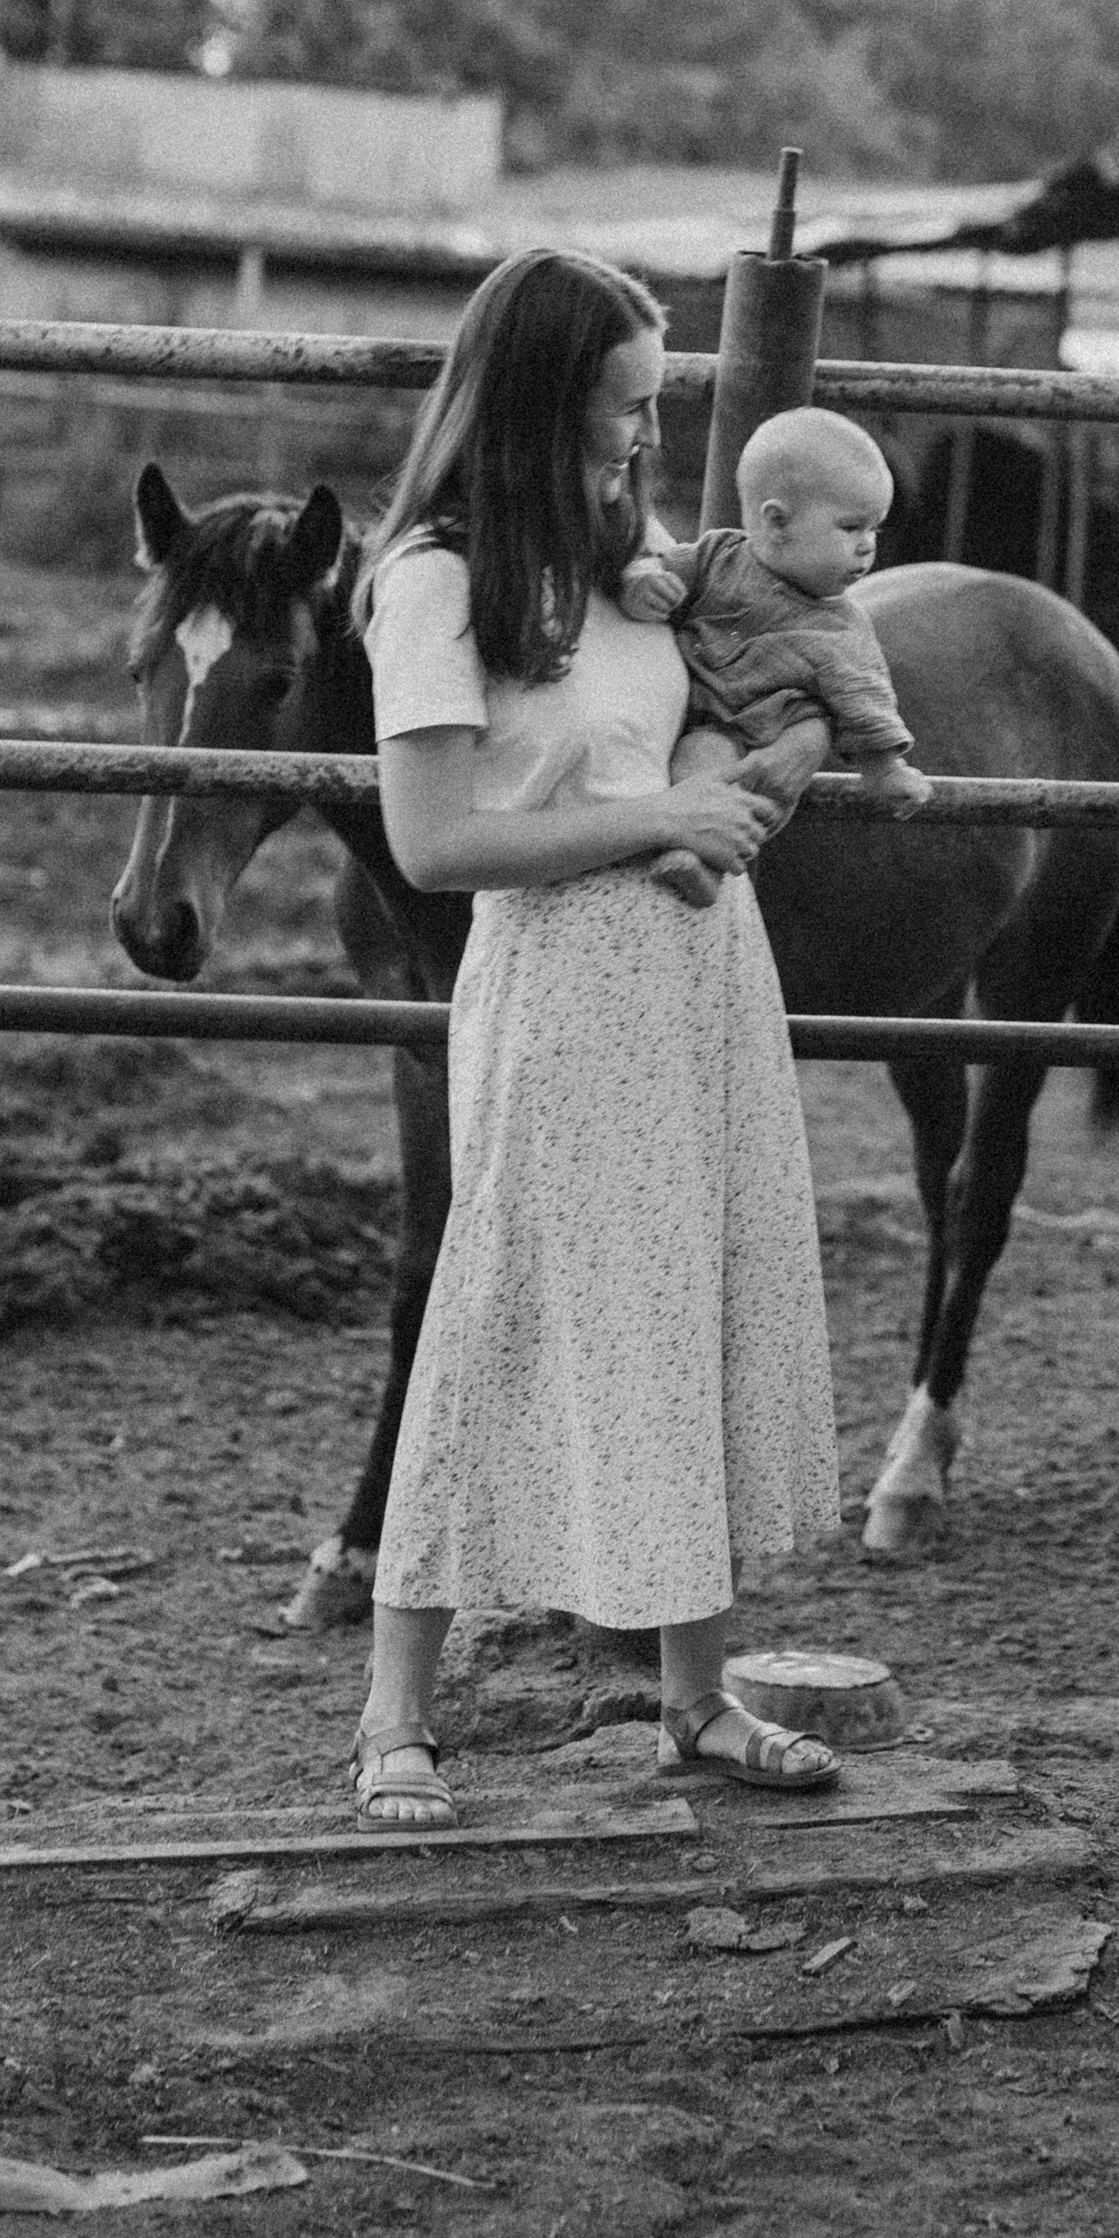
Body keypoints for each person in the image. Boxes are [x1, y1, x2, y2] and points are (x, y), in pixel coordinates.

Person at [347, 247, 844, 1831]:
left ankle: (696, 1695)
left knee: (690, 1304)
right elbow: (433, 845)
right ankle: (393, 1714)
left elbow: (723, 697)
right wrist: (659, 819)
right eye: (627, 402)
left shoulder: (631, 558)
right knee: (499, 1305)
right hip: (559, 988)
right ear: (548, 393)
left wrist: (736, 771)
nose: (646, 431)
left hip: (701, 976)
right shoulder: (435, 581)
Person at [622, 404, 933, 907]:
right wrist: (643, 583)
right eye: (852, 528)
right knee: (697, 761)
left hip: (754, 739)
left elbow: (866, 702)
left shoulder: (841, 624)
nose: (868, 548)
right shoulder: (719, 555)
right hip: (699, 715)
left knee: (715, 766)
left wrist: (884, 769)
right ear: (776, 521)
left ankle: (700, 862)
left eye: (875, 530)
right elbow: (662, 565)